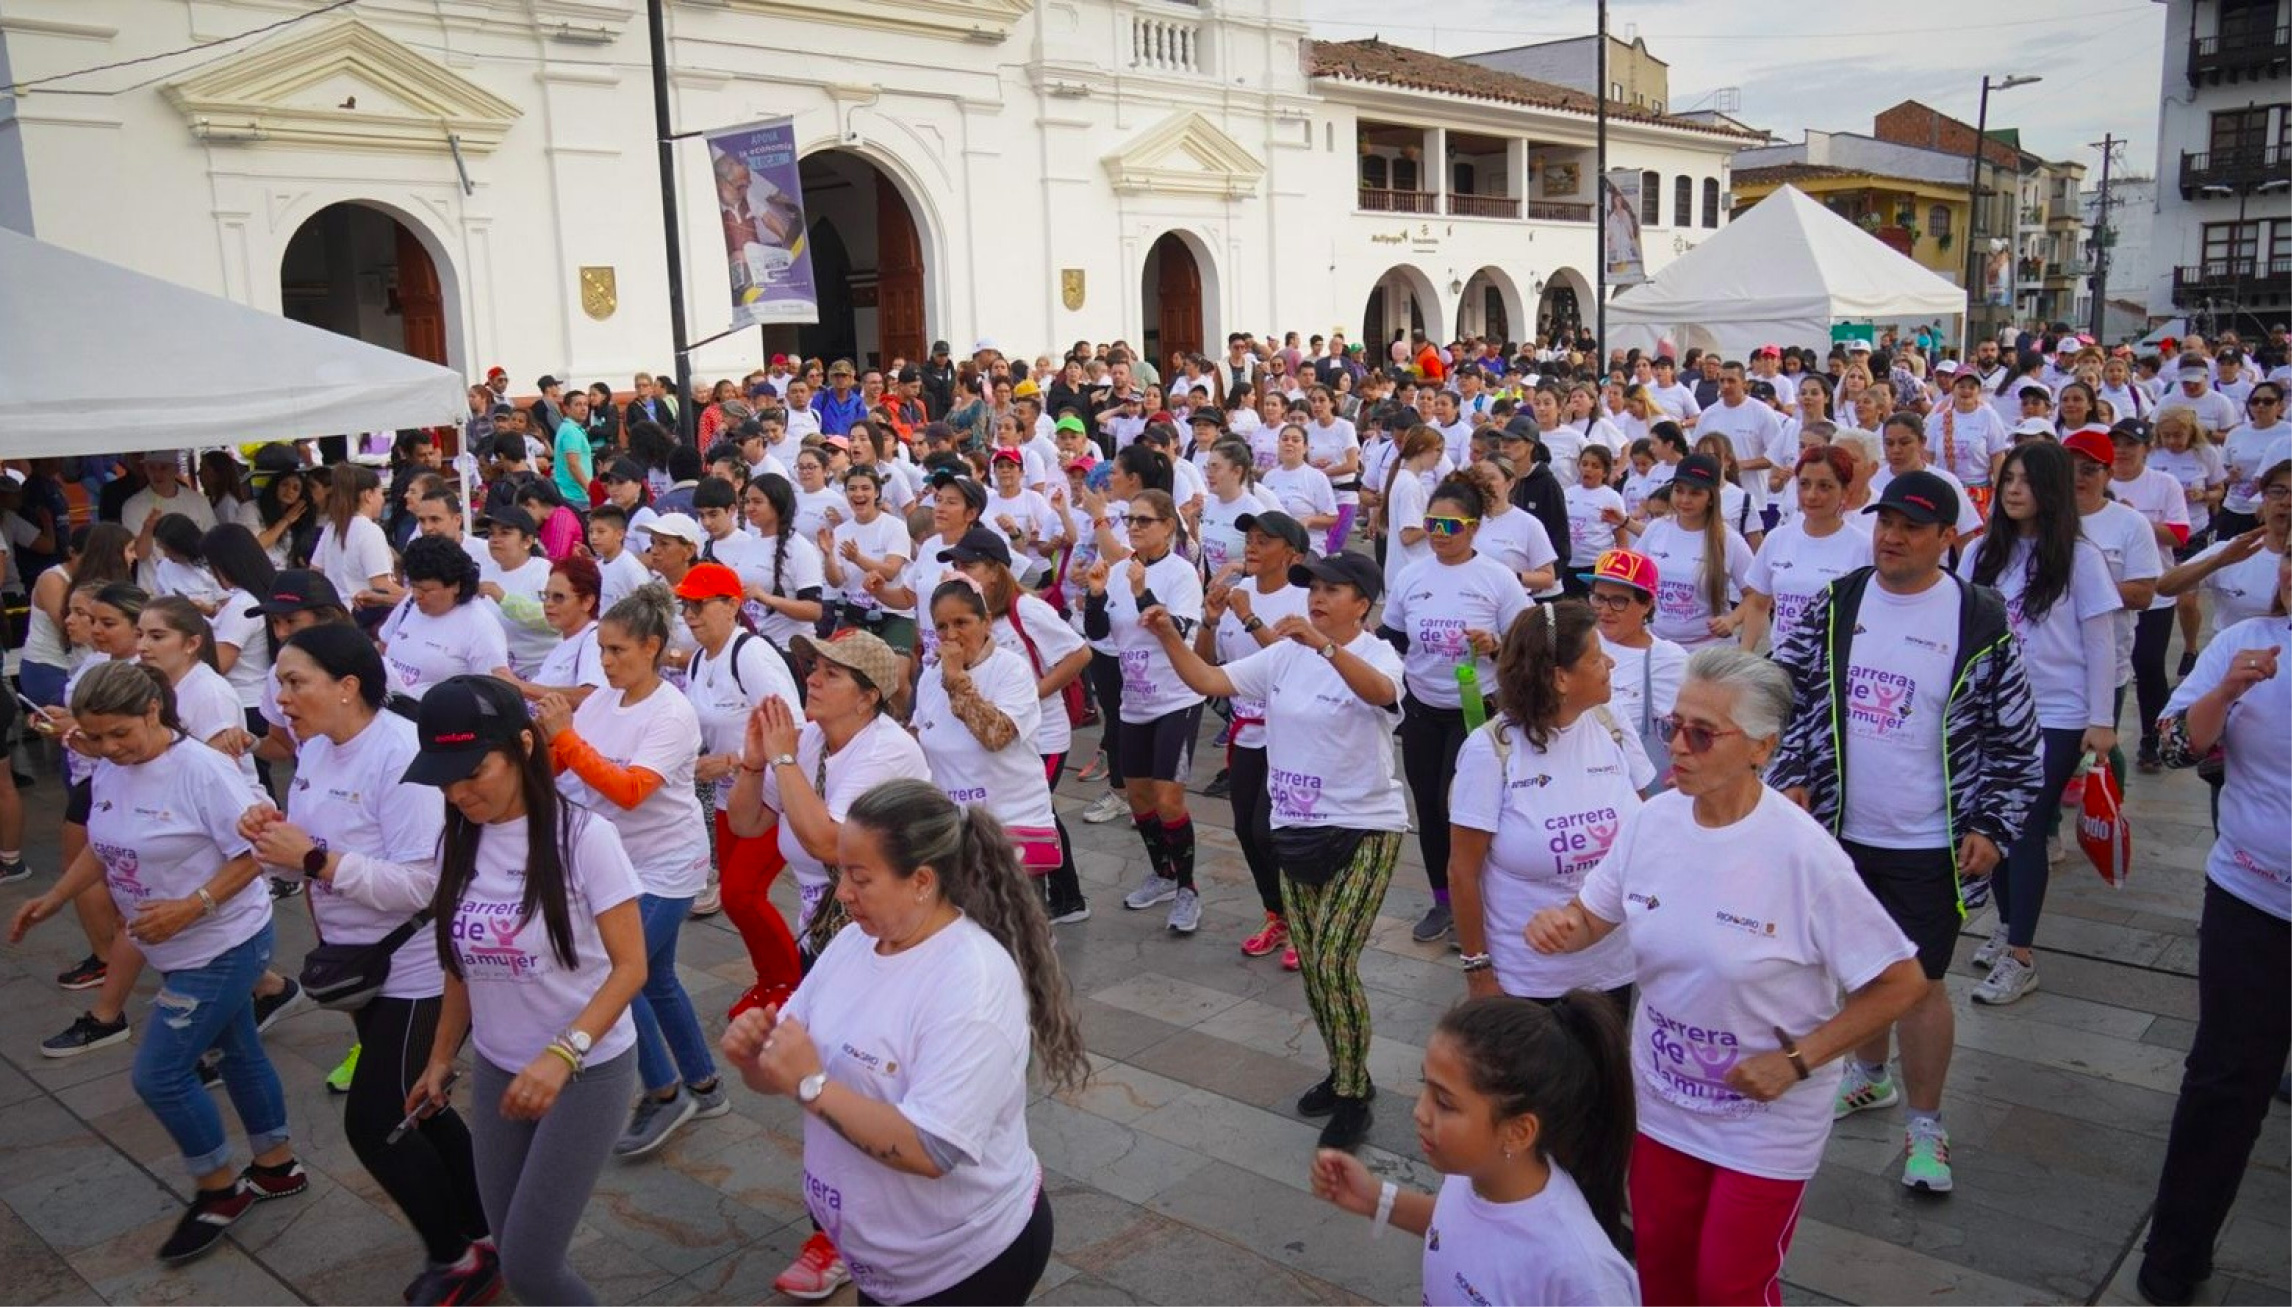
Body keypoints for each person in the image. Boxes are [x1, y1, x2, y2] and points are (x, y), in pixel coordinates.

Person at [1526, 648, 1927, 1307]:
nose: (1677, 745)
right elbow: (1593, 913)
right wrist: (1562, 923)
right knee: (1660, 1263)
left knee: (1729, 1285)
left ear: (1761, 747)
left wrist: (1797, 1061)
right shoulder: (1651, 821)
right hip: (1662, 1096)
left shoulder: (1804, 856)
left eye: (1701, 732)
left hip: (1765, 1114)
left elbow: (1901, 982)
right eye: (1672, 723)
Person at [1771, 470, 2044, 1194]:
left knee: (1918, 985)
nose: (1891, 536)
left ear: (1947, 538)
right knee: (1856, 972)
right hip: (1839, 832)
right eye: (1885, 521)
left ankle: (1927, 1126)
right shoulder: (1842, 600)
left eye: (1911, 526)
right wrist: (1793, 769)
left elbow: (2019, 743)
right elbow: (1784, 690)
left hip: (1932, 842)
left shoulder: (1979, 619)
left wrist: (1993, 823)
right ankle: (1868, 1076)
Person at [719, 779, 1083, 1305]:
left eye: (860, 877)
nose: (842, 893)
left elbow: (932, 1148)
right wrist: (756, 1054)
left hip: (963, 1263)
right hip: (883, 1264)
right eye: (842, 871)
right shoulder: (852, 943)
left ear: (922, 881)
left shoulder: (971, 983)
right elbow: (782, 1062)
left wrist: (809, 1084)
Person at [232, 626, 498, 1304]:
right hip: (363, 964)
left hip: (419, 968)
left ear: (347, 685)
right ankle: (488, 1227)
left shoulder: (399, 755)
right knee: (425, 1107)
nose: (280, 696)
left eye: (296, 681)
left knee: (377, 1122)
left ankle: (459, 1256)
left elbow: (422, 883)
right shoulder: (318, 750)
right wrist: (273, 838)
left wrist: (312, 859)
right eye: (280, 681)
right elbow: (315, 849)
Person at [10, 660, 308, 1266]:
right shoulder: (112, 766)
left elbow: (257, 852)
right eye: (96, 737)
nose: (109, 749)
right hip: (169, 945)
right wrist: (56, 898)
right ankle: (277, 1166)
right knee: (240, 1049)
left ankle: (217, 1190)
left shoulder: (201, 771)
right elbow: (104, 840)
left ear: (153, 711)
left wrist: (190, 907)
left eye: (120, 733)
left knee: (159, 1074)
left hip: (223, 944)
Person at [1144, 550, 1409, 1149]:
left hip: (1363, 827)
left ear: (1363, 603)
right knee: (1317, 972)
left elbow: (1382, 692)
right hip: (1294, 828)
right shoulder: (1284, 654)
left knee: (1335, 961)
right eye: (1312, 587)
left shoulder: (1375, 652)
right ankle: (1348, 1075)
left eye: (1332, 589)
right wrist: (1169, 636)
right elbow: (1210, 680)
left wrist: (1324, 647)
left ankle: (1351, 1094)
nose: (1316, 597)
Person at [401, 675, 649, 1306]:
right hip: (497, 1066)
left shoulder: (583, 838)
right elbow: (462, 963)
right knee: (511, 1250)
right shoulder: (457, 839)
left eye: (474, 771)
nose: (458, 792)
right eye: (444, 778)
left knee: (534, 1266)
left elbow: (631, 967)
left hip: (586, 1070)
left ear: (523, 747)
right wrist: (439, 1058)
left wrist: (562, 1054)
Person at [724, 630, 929, 1301]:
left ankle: (861, 1224)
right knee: (828, 1068)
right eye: (812, 667)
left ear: (869, 696)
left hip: (889, 933)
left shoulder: (889, 749)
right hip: (831, 934)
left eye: (831, 674)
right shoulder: (810, 742)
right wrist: (758, 762)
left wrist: (783, 755)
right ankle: (841, 1219)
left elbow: (828, 841)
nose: (810, 679)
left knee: (865, 1074)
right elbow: (750, 824)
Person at [2138, 550, 2289, 1307]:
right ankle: (2175, 1253)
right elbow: (2170, 747)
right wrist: (2226, 693)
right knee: (2225, 1080)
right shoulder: (2247, 642)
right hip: (2254, 899)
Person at [532, 584, 728, 1159]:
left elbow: (631, 789)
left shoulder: (672, 713)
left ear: (652, 647)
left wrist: (565, 738)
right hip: (616, 864)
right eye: (602, 651)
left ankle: (664, 1091)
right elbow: (564, 767)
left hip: (667, 864)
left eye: (618, 651)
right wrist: (545, 745)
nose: (607, 662)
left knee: (618, 974)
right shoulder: (598, 702)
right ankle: (704, 1084)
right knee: (658, 977)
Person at [1309, 995, 1640, 1307]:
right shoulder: (1478, 1172)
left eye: (1444, 1103)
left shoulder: (1583, 1276)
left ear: (1518, 1132)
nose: (1420, 1112)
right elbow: (1463, 1226)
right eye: (1425, 1086)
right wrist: (1376, 1200)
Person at [1961, 442, 2121, 1005]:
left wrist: (2101, 720)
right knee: (1992, 822)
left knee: (2025, 826)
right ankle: (2007, 924)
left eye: (2026, 481)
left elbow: (2101, 642)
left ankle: (2021, 956)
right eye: (2008, 480)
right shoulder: (1981, 552)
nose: (2013, 490)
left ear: (2050, 489)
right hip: (1988, 711)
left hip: (2054, 712)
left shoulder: (2080, 558)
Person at [1450, 600, 1654, 1008]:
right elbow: (1462, 871)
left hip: (1613, 969)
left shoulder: (1610, 720)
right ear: (1561, 678)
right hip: (1527, 980)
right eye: (1596, 658)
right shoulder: (1490, 751)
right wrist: (1478, 971)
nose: (1610, 663)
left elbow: (1647, 828)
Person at [1381, 475, 1532, 945]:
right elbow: (1392, 638)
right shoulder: (1411, 576)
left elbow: (1529, 645)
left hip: (1476, 711)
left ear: (1474, 527)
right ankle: (1443, 901)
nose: (1440, 533)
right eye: (1432, 523)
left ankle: (1481, 901)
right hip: (1424, 709)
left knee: (1461, 808)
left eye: (1451, 525)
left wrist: (1495, 645)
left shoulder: (1497, 578)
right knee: (1427, 806)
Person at [944, 528, 1094, 924]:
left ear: (994, 571)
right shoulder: (973, 618)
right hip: (992, 734)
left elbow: (1079, 653)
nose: (960, 573)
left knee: (1030, 809)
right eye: (956, 566)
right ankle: (1066, 896)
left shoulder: (1026, 610)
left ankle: (1055, 901)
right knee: (1034, 810)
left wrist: (1033, 693)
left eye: (969, 565)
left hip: (1042, 736)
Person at [1082, 488, 1210, 932]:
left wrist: (1142, 592)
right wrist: (1097, 595)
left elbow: (1174, 630)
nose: (1133, 528)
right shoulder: (1119, 570)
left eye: (1144, 520)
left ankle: (1188, 888)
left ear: (1168, 526)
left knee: (1168, 798)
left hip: (1177, 699)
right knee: (1137, 796)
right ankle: (1163, 873)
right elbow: (1099, 633)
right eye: (1129, 520)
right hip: (1133, 701)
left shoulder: (1181, 575)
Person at [678, 561, 804, 986]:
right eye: (685, 606)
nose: (690, 615)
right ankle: (770, 982)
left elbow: (794, 728)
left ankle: (789, 984)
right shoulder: (697, 661)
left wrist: (731, 760)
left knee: (740, 894)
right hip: (732, 797)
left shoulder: (750, 653)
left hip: (772, 794)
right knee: (736, 902)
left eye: (699, 605)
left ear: (732, 605)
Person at [1195, 511, 1311, 966]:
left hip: (1292, 733)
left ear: (1293, 554)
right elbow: (1209, 667)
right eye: (1251, 539)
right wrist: (1209, 620)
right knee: (1246, 829)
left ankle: (1304, 921)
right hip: (1245, 730)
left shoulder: (1304, 599)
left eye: (1266, 540)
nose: (1254, 547)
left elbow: (1291, 662)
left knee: (1273, 830)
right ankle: (1276, 913)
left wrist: (1246, 617)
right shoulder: (1236, 598)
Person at [1735, 447, 1871, 651]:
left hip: (1831, 671)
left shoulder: (1864, 548)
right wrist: (1743, 656)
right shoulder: (1777, 538)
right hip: (1781, 666)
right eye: (1804, 484)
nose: (1811, 495)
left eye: (1824, 486)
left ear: (1845, 491)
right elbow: (1758, 604)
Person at [1636, 454, 1753, 653]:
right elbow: (1634, 576)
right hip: (1659, 647)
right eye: (1678, 491)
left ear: (1711, 498)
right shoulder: (1656, 528)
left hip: (1709, 650)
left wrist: (1733, 619)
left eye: (1695, 493)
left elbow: (1756, 594)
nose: (1684, 500)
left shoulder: (1728, 540)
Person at [378, 536, 512, 699]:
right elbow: (384, 644)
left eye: (427, 590)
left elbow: (494, 693)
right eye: (414, 587)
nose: (417, 596)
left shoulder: (480, 627)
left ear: (455, 585)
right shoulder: (409, 604)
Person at [502, 555, 606, 708]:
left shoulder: (594, 640)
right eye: (545, 596)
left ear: (587, 602)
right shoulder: (564, 643)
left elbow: (592, 697)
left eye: (558, 597)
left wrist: (519, 686)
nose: (548, 604)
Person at [476, 505, 561, 678]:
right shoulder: (483, 572)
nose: (495, 539)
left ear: (527, 541)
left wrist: (503, 599)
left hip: (540, 673)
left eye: (505, 533)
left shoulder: (544, 572)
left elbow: (554, 620)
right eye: (491, 533)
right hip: (496, 673)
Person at [312, 464, 396, 625]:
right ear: (368, 495)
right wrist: (413, 595)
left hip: (336, 615)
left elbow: (315, 571)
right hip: (362, 616)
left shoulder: (332, 527)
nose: (383, 499)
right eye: (381, 493)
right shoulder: (370, 530)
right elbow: (381, 585)